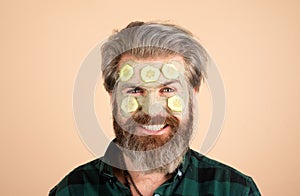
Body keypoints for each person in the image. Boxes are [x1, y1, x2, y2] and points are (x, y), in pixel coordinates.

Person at [49, 21, 261, 196]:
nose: (151, 111)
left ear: (193, 94)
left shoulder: (235, 191)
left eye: (167, 89)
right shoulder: (71, 191)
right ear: (112, 96)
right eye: (135, 90)